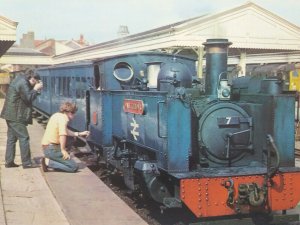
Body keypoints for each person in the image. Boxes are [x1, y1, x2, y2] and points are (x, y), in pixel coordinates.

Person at [1, 69, 43, 168]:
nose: (34, 83)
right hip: (16, 115)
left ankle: (9, 162)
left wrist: (34, 89)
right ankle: (27, 163)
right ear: (31, 78)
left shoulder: (21, 79)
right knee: (24, 137)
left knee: (12, 138)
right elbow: (28, 98)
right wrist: (36, 89)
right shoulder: (23, 83)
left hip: (10, 114)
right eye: (34, 81)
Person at [40, 102, 89, 172]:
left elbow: (66, 131)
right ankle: (48, 162)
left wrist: (79, 134)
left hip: (47, 147)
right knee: (73, 167)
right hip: (52, 149)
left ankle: (55, 159)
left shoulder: (56, 115)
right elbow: (62, 134)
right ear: (69, 113)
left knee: (71, 137)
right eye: (74, 113)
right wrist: (63, 150)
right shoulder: (64, 119)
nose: (74, 116)